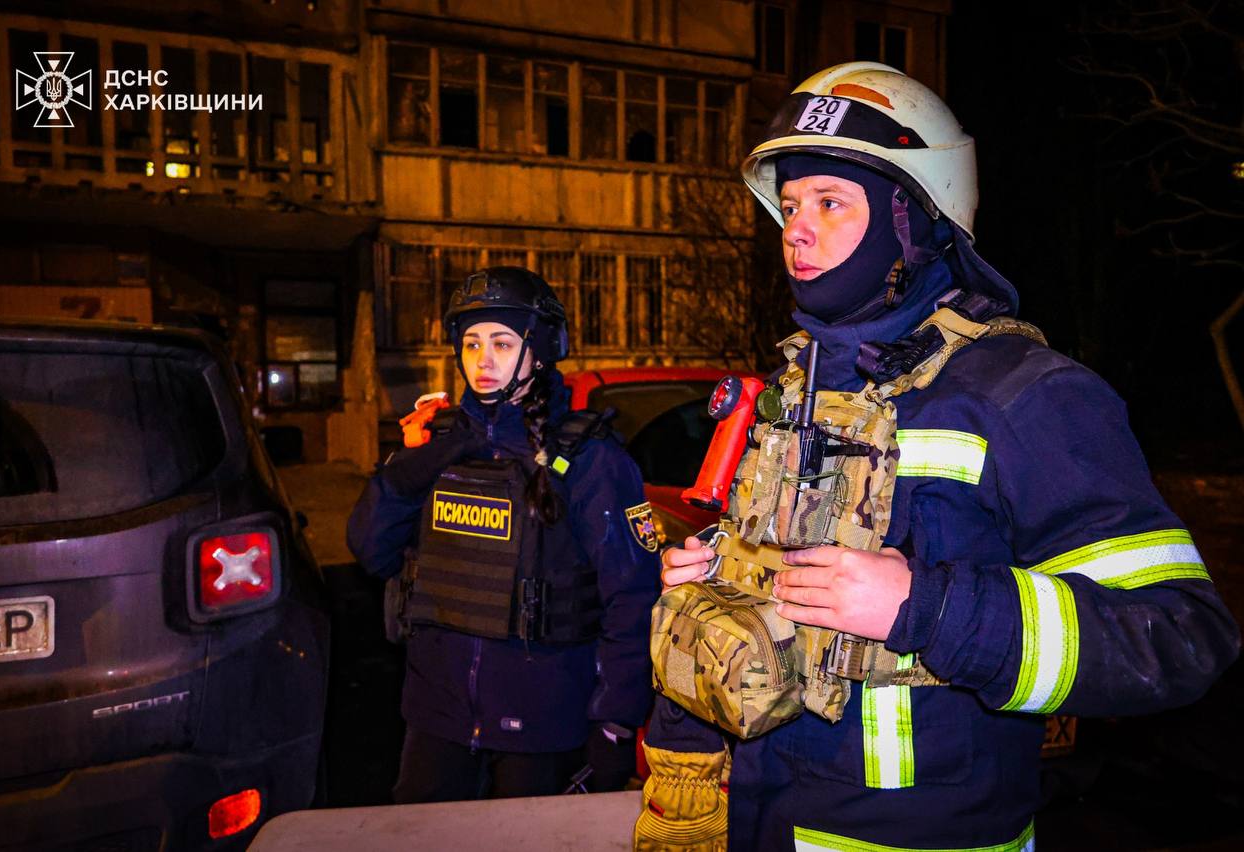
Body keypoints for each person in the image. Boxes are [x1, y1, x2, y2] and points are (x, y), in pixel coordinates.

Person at [636, 62, 1240, 851]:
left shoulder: (1027, 394)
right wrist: (721, 579)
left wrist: (925, 608)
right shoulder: (796, 386)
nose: (797, 230)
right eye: (788, 206)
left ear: (912, 221)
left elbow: (1178, 637)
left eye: (830, 203)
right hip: (759, 822)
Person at [346, 266, 659, 802]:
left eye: (501, 342)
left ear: (538, 350)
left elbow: (632, 601)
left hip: (543, 724)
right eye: (470, 343)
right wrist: (411, 469)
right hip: (436, 718)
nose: (482, 360)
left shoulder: (590, 460)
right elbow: (371, 551)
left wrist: (615, 722)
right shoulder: (437, 447)